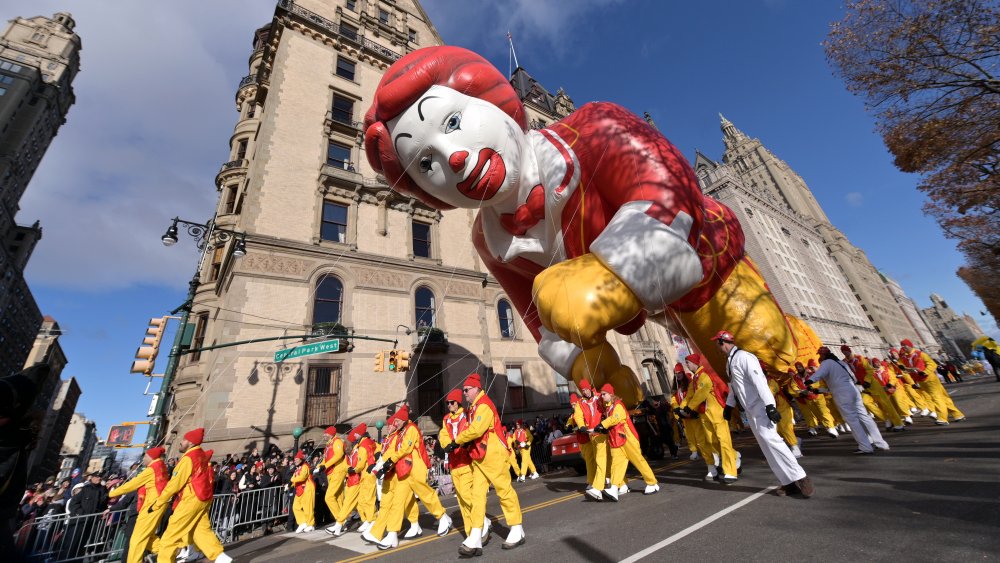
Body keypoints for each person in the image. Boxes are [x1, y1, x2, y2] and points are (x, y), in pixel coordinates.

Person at [363, 46, 802, 410]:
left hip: (711, 273)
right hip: (657, 312)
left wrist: (606, 278)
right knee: (737, 394)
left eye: (453, 123)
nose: (453, 157)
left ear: (492, 102)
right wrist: (591, 368)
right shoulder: (489, 239)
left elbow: (671, 195)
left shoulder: (594, 126)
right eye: (425, 163)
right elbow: (540, 321)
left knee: (771, 369)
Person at [714, 330, 814, 497]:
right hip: (751, 410)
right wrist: (729, 406)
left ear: (721, 342)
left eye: (716, 343)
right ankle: (787, 482)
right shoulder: (729, 362)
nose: (716, 347)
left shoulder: (745, 357)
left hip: (761, 407)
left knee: (773, 441)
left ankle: (801, 477)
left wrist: (769, 405)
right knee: (766, 446)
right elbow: (735, 387)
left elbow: (759, 381)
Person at [444, 374, 524, 555]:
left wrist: (457, 441)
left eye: (466, 390)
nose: (463, 393)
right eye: (464, 390)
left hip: (493, 454)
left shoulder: (484, 405)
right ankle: (475, 535)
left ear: (476, 389)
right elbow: (473, 432)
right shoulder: (474, 407)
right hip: (480, 456)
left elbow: (476, 429)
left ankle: (516, 528)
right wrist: (460, 441)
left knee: (504, 491)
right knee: (477, 496)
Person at [366, 406, 452, 550]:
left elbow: (406, 448)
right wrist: (383, 464)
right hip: (404, 471)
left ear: (404, 419)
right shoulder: (402, 431)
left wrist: (389, 461)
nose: (396, 423)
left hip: (415, 469)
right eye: (396, 421)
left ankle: (443, 517)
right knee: (398, 503)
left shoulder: (411, 429)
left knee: (426, 495)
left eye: (398, 420)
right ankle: (392, 534)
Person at [151, 428, 232, 563]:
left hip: (191, 499)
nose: (181, 442)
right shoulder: (201, 455)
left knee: (170, 536)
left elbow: (175, 483)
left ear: (190, 442)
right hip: (203, 498)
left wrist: (159, 502)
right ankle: (221, 557)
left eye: (183, 440)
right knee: (201, 530)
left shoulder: (189, 458)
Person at [804, 347, 889, 454]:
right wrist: (820, 390)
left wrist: (809, 381)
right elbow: (849, 379)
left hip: (842, 394)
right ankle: (880, 442)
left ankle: (865, 446)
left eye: (820, 355)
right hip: (853, 389)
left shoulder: (827, 362)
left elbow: (819, 374)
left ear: (823, 355)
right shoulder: (841, 363)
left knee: (852, 419)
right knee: (864, 416)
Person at [438, 389, 490, 546]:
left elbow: (470, 431)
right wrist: (446, 444)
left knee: (468, 496)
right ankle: (471, 533)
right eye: (447, 403)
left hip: (466, 462)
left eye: (452, 402)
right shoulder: (446, 419)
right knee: (461, 500)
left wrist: (459, 442)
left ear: (458, 402)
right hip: (454, 464)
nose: (449, 405)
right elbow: (444, 434)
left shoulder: (467, 415)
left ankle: (482, 521)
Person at [680, 354, 738, 483]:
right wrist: (681, 408)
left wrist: (689, 407)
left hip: (716, 412)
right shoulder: (694, 379)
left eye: (688, 362)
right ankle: (734, 458)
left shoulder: (704, 375)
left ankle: (730, 472)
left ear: (695, 363)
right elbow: (690, 394)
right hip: (704, 414)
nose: (687, 365)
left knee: (723, 441)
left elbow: (702, 392)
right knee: (713, 442)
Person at [107, 447, 169, 563]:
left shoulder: (152, 469)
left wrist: (112, 493)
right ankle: (169, 552)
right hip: (154, 505)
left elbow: (132, 484)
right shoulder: (160, 466)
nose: (143, 459)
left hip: (152, 506)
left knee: (137, 540)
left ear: (151, 457)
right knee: (148, 537)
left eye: (145, 456)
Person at [596, 383, 660, 497]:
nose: (602, 396)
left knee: (638, 461)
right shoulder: (609, 407)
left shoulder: (618, 405)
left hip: (627, 439)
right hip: (617, 440)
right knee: (616, 464)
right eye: (602, 394)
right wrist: (603, 427)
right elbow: (612, 422)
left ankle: (652, 483)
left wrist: (602, 424)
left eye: (604, 394)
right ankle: (614, 488)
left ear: (610, 394)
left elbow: (615, 418)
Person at [898, 339, 965, 424]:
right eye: (902, 346)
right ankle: (957, 414)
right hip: (921, 380)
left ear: (910, 345)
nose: (903, 348)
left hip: (930, 379)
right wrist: (912, 378)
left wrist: (925, 372)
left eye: (905, 345)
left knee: (936, 397)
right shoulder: (905, 358)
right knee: (942, 397)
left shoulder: (920, 354)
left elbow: (932, 364)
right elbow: (903, 368)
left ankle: (942, 418)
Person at [326, 424, 376, 536]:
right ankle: (367, 520)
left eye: (347, 446)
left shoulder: (358, 450)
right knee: (359, 503)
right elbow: (345, 465)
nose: (346, 448)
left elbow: (360, 463)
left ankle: (339, 524)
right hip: (352, 480)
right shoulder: (349, 454)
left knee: (349, 503)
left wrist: (354, 469)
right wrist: (349, 469)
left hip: (357, 480)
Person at [316, 426, 347, 532]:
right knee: (338, 498)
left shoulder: (337, 442)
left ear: (331, 434)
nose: (324, 435)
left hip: (337, 471)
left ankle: (340, 521)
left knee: (329, 497)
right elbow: (325, 460)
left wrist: (326, 465)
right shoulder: (328, 445)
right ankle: (343, 521)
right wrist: (318, 468)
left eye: (326, 433)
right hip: (331, 473)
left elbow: (339, 455)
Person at [289, 450, 316, 533]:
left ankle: (310, 524)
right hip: (299, 490)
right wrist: (290, 484)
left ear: (301, 459)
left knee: (308, 507)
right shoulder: (298, 468)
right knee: (295, 507)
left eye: (297, 459)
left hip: (308, 488)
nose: (295, 461)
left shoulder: (305, 466)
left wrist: (292, 480)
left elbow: (302, 477)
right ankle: (302, 522)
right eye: (295, 459)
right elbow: (295, 478)